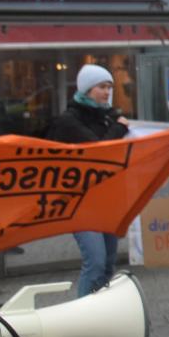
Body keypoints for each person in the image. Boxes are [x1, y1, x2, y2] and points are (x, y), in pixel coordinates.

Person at [47, 64, 129, 297]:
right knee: (95, 262)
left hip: (107, 200)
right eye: (102, 87)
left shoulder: (107, 117)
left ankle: (99, 313)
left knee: (108, 264)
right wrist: (120, 129)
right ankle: (83, 314)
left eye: (110, 87)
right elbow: (98, 151)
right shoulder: (68, 121)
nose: (107, 92)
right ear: (86, 88)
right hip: (80, 202)